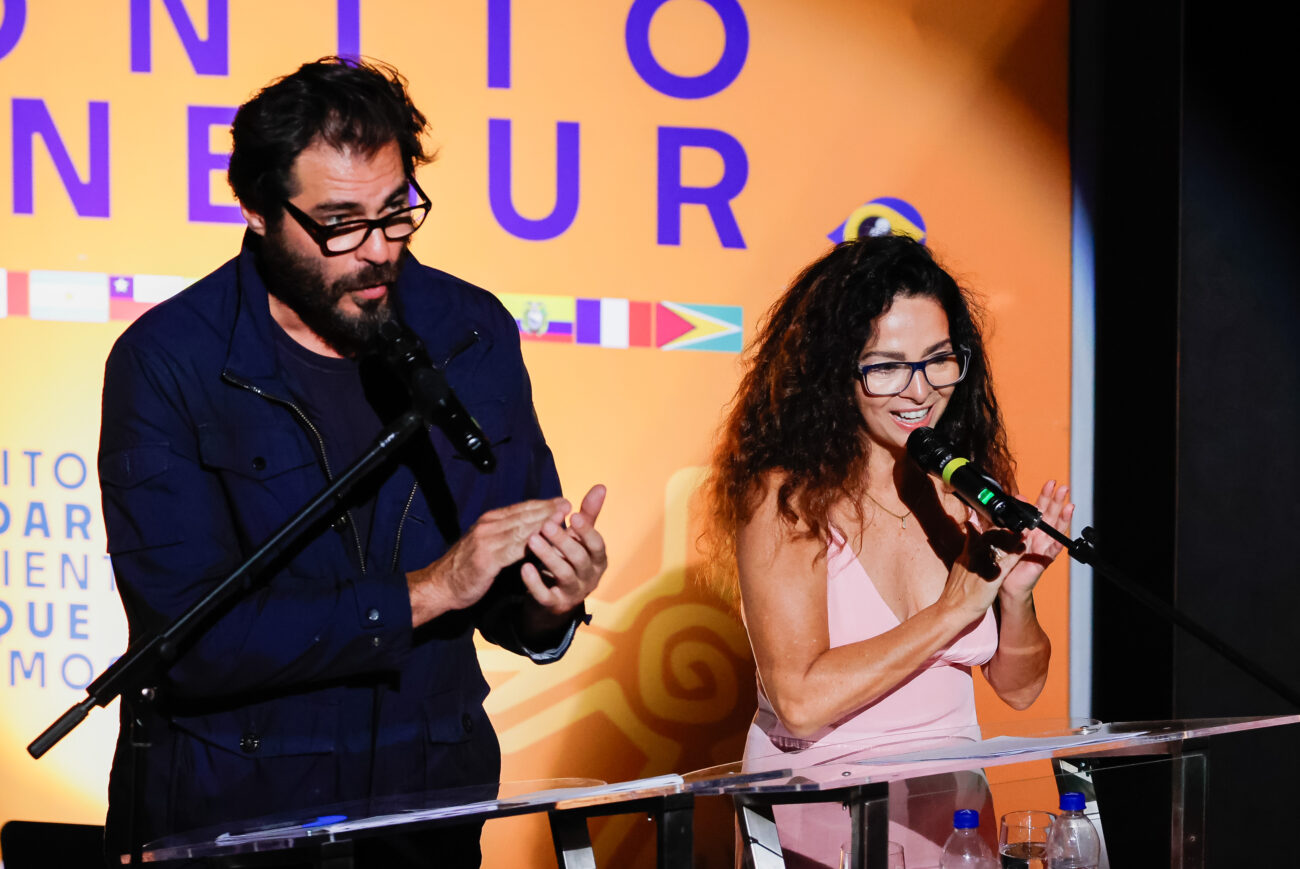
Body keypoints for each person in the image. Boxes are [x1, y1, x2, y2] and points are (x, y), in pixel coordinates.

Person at [98, 57, 607, 867]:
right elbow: (184, 643)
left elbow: (504, 587)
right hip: (239, 817)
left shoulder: (471, 332)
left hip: (428, 810)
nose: (377, 250)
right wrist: (430, 589)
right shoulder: (166, 363)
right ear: (259, 211)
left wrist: (550, 600)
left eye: (397, 211)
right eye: (340, 222)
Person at [702, 234, 1074, 868]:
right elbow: (799, 699)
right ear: (831, 371)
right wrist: (952, 610)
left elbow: (1018, 688)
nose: (920, 389)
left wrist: (1017, 600)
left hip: (955, 823)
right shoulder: (787, 497)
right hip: (821, 821)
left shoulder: (958, 487)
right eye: (887, 366)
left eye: (937, 360)